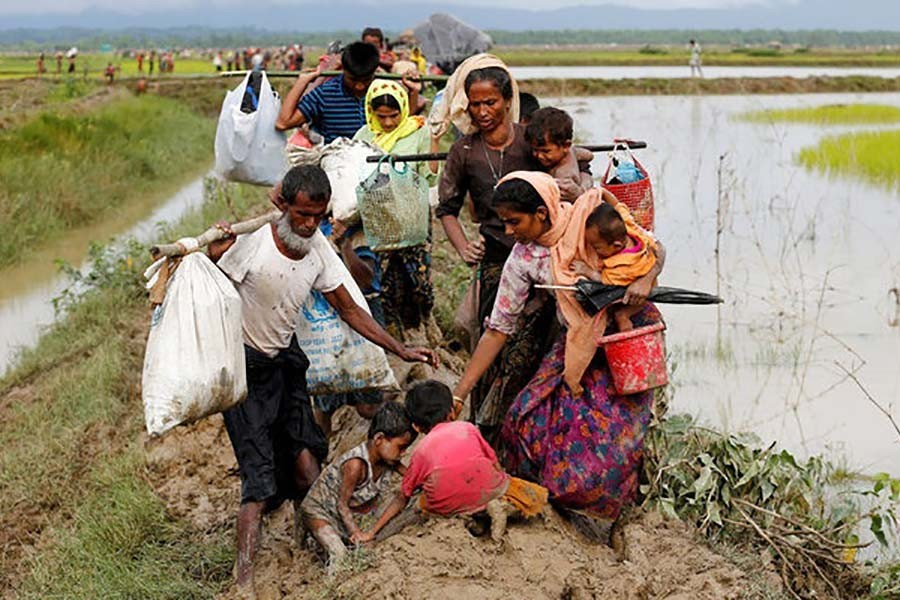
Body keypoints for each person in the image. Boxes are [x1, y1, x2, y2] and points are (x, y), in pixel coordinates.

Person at [207, 164, 437, 591]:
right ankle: (244, 580)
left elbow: (349, 309)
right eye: (302, 216)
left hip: (286, 364)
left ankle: (318, 536)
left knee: (307, 454)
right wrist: (214, 254)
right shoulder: (252, 245)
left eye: (318, 216)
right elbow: (210, 295)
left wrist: (400, 349)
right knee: (256, 479)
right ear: (283, 205)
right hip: (246, 372)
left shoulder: (317, 250)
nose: (310, 225)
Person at [452, 171, 665, 522]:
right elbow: (498, 329)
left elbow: (651, 249)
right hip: (579, 343)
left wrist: (645, 279)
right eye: (503, 223)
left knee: (614, 438)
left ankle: (620, 514)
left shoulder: (589, 220)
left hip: (625, 339)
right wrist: (459, 395)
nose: (508, 231)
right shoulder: (523, 259)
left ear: (540, 213)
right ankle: (554, 505)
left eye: (513, 221)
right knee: (524, 417)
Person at [434, 61, 559, 445]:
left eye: (490, 102)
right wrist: (462, 246)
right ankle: (486, 432)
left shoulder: (530, 142)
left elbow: (563, 173)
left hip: (545, 261)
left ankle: (534, 432)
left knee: (539, 347)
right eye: (475, 105)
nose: (483, 112)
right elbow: (446, 209)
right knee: (494, 340)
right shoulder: (465, 151)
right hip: (496, 262)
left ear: (508, 101)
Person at [357, 380, 548, 543]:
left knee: (422, 503)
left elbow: (402, 497)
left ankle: (470, 518)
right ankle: (496, 506)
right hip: (488, 491)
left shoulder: (420, 452)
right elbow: (494, 463)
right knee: (517, 489)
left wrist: (372, 532)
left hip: (448, 508)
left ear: (416, 426)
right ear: (451, 411)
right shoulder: (468, 428)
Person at [353, 79, 439, 341]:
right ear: (371, 112)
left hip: (413, 217)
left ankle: (426, 323)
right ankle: (394, 333)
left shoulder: (419, 132)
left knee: (419, 278)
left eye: (394, 116)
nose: (388, 123)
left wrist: (434, 143)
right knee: (385, 278)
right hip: (380, 220)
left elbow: (430, 178)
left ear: (403, 109)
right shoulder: (363, 137)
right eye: (382, 117)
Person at [300, 401, 414, 566]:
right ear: (379, 439)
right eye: (401, 447)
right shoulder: (355, 465)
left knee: (363, 548)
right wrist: (358, 534)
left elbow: (413, 478)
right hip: (319, 511)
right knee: (339, 555)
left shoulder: (389, 460)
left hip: (346, 515)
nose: (403, 453)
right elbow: (342, 505)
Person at [575, 190, 658, 333]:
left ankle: (625, 317)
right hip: (650, 268)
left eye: (597, 248)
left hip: (642, 294)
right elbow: (617, 204)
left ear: (617, 246)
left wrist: (586, 271)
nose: (595, 251)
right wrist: (601, 192)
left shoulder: (622, 266)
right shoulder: (629, 227)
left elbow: (604, 280)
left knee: (622, 312)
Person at [276, 42, 379, 143]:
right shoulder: (325, 95)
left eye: (366, 80)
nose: (359, 86)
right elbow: (283, 123)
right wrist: (302, 82)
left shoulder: (382, 91)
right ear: (343, 70)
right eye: (353, 80)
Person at [525, 107, 594, 198]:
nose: (539, 156)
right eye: (535, 150)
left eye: (545, 151)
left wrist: (581, 191)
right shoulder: (535, 162)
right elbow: (589, 155)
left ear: (566, 146)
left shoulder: (565, 177)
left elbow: (588, 158)